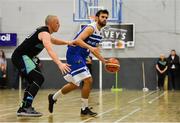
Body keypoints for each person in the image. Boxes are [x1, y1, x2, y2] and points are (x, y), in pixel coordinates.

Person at [48, 9, 109, 117]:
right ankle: (84, 109)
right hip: (74, 54)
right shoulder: (91, 28)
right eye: (102, 17)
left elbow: (95, 51)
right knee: (88, 80)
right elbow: (77, 40)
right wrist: (90, 47)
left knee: (74, 84)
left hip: (81, 56)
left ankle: (53, 97)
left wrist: (104, 61)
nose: (104, 19)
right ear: (96, 18)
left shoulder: (99, 34)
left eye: (106, 17)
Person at [11, 15, 73, 117]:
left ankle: (23, 107)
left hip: (24, 57)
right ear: (50, 23)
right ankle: (26, 107)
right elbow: (50, 49)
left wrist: (67, 42)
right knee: (38, 78)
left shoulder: (45, 33)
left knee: (33, 81)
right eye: (57, 22)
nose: (59, 24)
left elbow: (54, 41)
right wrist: (59, 63)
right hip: (21, 56)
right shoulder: (44, 33)